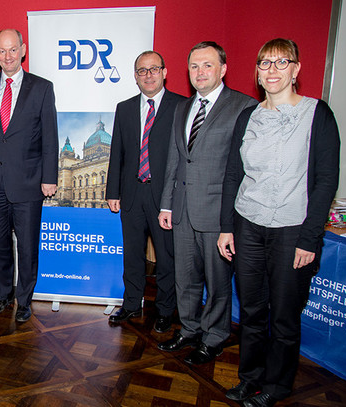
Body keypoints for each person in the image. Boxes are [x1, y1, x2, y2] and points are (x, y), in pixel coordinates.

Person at [217, 38, 339, 407]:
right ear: (257, 71)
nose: (271, 70)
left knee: (284, 315)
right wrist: (226, 227)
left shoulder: (317, 114)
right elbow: (233, 174)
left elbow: (325, 181)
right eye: (264, 63)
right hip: (248, 224)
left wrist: (309, 238)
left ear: (296, 70)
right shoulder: (248, 116)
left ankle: (277, 385)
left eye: (281, 62)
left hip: (292, 229)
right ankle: (249, 378)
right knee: (252, 311)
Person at [157, 41, 257, 365]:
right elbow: (175, 157)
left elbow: (244, 168)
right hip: (183, 211)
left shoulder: (244, 107)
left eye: (208, 65)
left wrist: (233, 219)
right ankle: (189, 329)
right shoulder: (182, 108)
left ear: (223, 69)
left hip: (218, 215)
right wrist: (166, 205)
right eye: (194, 67)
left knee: (217, 283)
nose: (200, 72)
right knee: (185, 277)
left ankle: (214, 337)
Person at [0, 29, 58, 323]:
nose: (7, 56)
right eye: (2, 51)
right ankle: (3, 295)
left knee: (28, 245)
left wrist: (49, 177)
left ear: (23, 50)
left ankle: (24, 300)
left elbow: (50, 138)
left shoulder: (42, 88)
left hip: (29, 183)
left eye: (13, 50)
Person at [106, 51, 185, 332]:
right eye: (142, 71)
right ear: (135, 76)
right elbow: (118, 152)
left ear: (164, 72)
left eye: (154, 69)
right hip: (132, 193)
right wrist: (112, 192)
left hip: (166, 197)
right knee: (132, 254)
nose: (148, 75)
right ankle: (130, 304)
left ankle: (165, 309)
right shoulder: (125, 108)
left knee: (166, 256)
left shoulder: (182, 106)